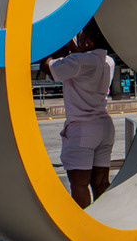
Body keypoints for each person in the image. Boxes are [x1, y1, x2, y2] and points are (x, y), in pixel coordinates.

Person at [42, 23, 115, 208]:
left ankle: (84, 221)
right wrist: (73, 46)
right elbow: (82, 61)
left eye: (81, 37)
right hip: (104, 126)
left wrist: (51, 44)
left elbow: (47, 67)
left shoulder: (79, 62)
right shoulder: (108, 61)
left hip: (82, 129)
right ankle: (103, 218)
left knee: (79, 183)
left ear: (88, 41)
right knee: (101, 183)